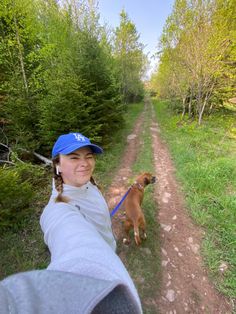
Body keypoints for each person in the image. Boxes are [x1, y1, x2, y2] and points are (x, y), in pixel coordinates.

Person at [38, 132, 142, 313]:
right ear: (57, 165)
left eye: (89, 156)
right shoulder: (58, 207)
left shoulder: (87, 183)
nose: (85, 163)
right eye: (73, 157)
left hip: (109, 247)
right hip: (104, 255)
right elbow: (68, 236)